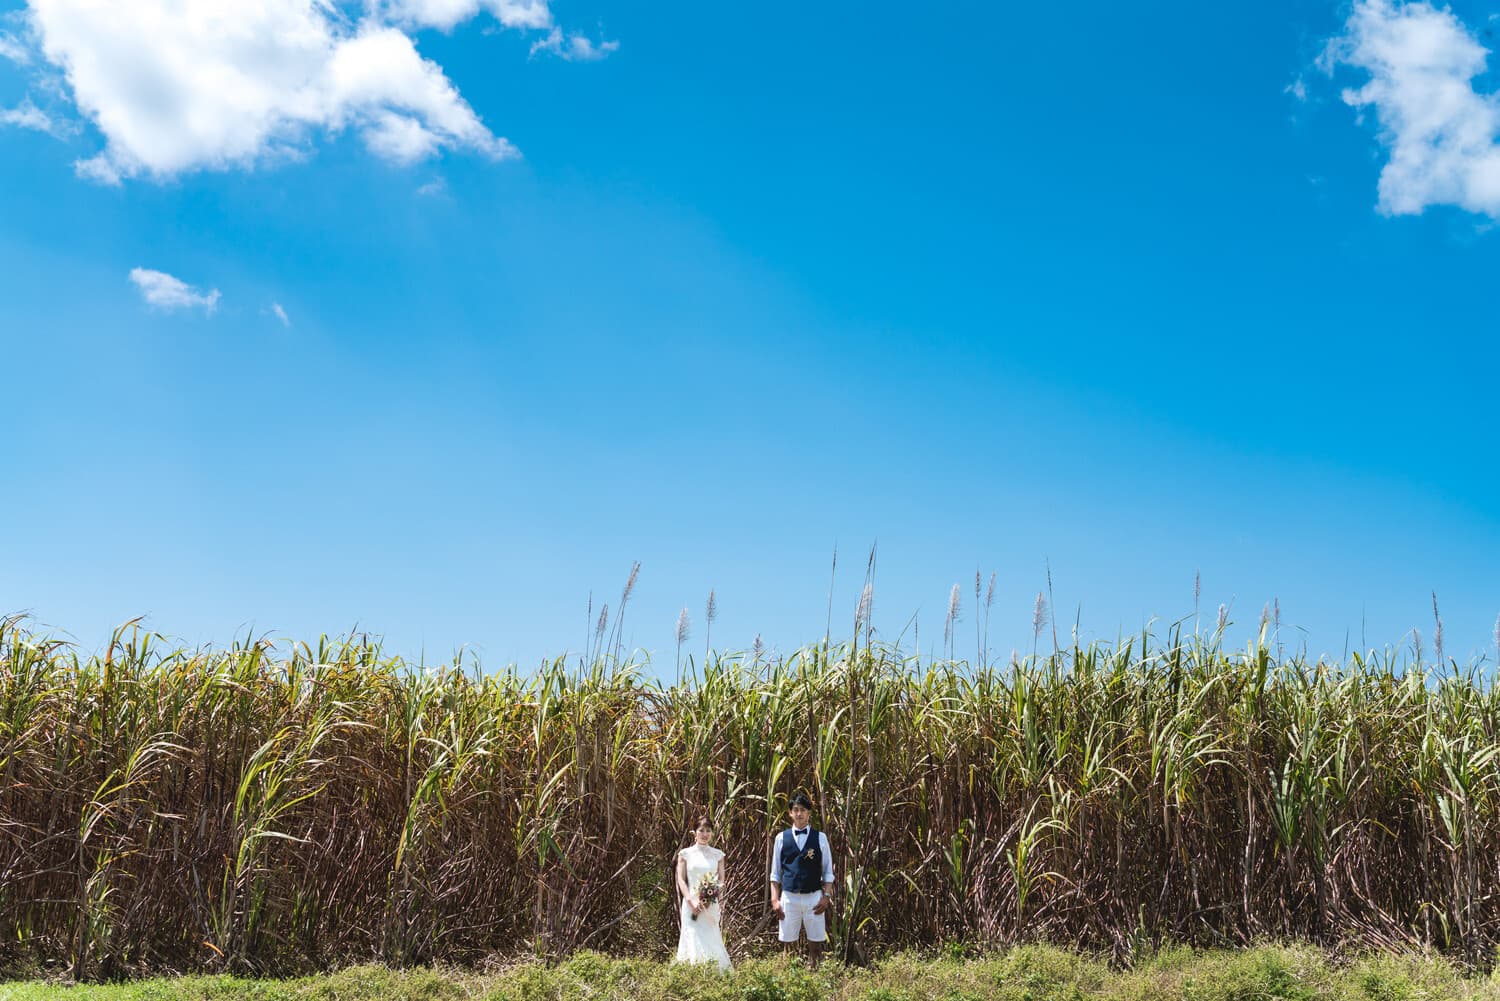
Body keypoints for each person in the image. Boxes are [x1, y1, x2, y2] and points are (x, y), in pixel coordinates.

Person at [768, 791, 834, 968]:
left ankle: (816, 979)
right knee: (788, 944)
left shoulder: (820, 838)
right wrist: (775, 899)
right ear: (790, 813)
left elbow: (828, 871)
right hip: (789, 897)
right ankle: (790, 982)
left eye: (803, 810)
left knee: (816, 944)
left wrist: (826, 897)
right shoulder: (781, 838)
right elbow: (775, 873)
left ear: (809, 813)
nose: (799, 813)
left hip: (814, 896)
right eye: (795, 810)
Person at [674, 813, 731, 971]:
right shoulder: (685, 854)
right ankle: (693, 974)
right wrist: (691, 901)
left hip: (710, 904)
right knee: (692, 937)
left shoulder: (718, 855)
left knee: (711, 937)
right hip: (691, 905)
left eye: (708, 830)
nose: (705, 834)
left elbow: (721, 880)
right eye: (701, 830)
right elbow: (680, 879)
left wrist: (709, 894)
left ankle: (714, 975)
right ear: (694, 833)